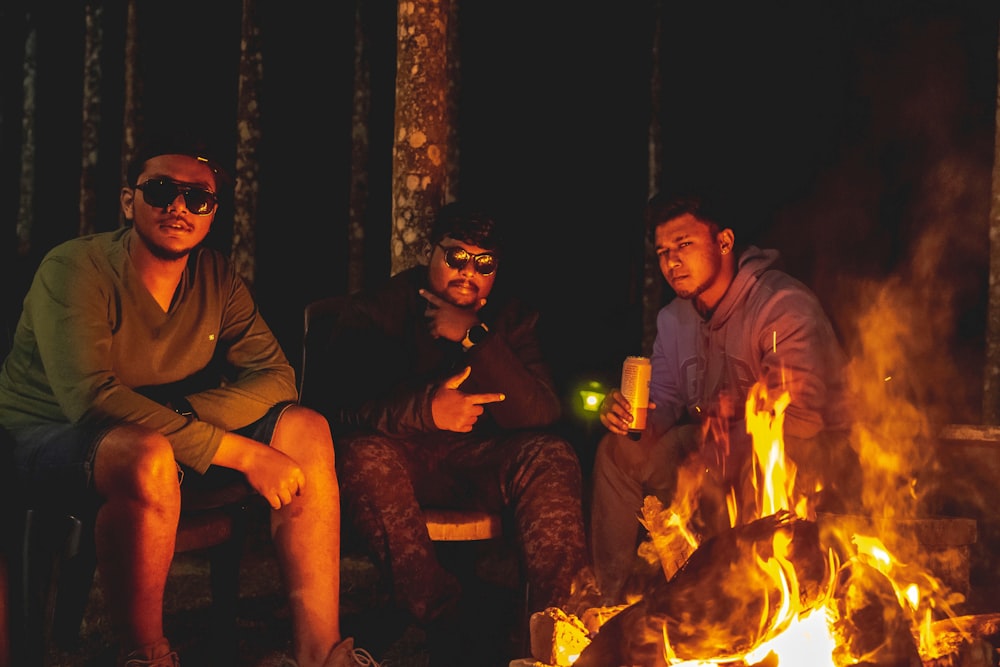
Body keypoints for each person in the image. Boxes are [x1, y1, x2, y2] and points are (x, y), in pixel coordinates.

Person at [0, 133, 376, 667]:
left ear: (213, 213)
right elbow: (90, 397)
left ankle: (320, 654)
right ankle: (147, 656)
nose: (179, 207)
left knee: (305, 428)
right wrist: (239, 452)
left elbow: (276, 376)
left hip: (161, 428)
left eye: (198, 198)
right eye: (160, 190)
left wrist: (189, 416)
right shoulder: (75, 268)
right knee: (149, 455)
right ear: (129, 202)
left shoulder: (216, 276)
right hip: (46, 432)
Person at [302, 201, 602, 662]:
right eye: (456, 257)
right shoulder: (379, 309)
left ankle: (560, 636)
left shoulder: (511, 318)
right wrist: (427, 411)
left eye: (484, 264)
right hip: (401, 460)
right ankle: (450, 617)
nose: (468, 272)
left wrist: (476, 338)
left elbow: (541, 413)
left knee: (550, 454)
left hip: (478, 461)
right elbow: (333, 410)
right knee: (362, 456)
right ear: (431, 254)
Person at [590, 186, 859, 604]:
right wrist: (628, 416)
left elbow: (802, 422)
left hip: (811, 459)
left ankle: (737, 601)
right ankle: (612, 601)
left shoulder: (781, 306)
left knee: (728, 455)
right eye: (662, 252)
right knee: (618, 451)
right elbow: (660, 403)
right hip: (719, 452)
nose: (671, 261)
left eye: (684, 245)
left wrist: (714, 448)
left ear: (724, 242)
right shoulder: (675, 320)